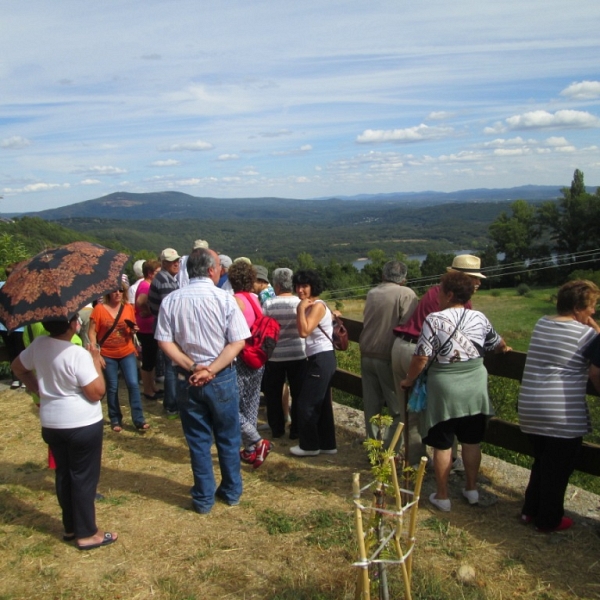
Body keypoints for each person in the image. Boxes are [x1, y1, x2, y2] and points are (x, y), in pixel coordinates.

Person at [400, 271, 510, 512]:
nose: (437, 295)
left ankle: (443, 495)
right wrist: (505, 349)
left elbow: (421, 356)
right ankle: (471, 489)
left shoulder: (434, 320)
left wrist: (409, 380)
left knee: (442, 443)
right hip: (475, 383)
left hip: (445, 385)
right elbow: (497, 344)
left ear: (449, 294)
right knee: (471, 440)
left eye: (440, 291)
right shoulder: (479, 317)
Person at [155, 248, 250, 514]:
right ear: (211, 270)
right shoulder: (225, 299)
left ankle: (204, 497)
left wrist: (194, 367)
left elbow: (164, 340)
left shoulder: (172, 300)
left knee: (197, 439)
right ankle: (231, 491)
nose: (220, 270)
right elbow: (238, 341)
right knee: (228, 437)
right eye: (219, 265)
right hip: (222, 377)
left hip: (188, 378)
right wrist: (211, 369)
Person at [12, 315, 117, 550]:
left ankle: (70, 528)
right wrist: (95, 361)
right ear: (71, 324)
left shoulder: (38, 345)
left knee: (64, 475)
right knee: (83, 478)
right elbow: (96, 392)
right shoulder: (77, 353)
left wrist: (39, 390)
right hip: (81, 423)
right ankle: (88, 533)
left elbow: (17, 368)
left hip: (52, 422)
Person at [518, 280, 600, 532]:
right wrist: (595, 327)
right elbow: (596, 370)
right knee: (559, 469)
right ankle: (549, 520)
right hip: (561, 413)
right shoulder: (586, 335)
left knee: (542, 461)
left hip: (530, 407)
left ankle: (529, 511)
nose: (593, 312)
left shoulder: (542, 323)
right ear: (577, 308)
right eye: (591, 306)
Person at [391, 254, 484, 466]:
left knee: (411, 410)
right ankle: (444, 460)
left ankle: (415, 462)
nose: (478, 283)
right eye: (474, 278)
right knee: (442, 410)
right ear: (461, 278)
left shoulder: (436, 291)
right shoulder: (457, 301)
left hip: (402, 347)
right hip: (418, 353)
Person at [359, 260, 418, 453]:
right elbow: (409, 327)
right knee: (398, 409)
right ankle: (390, 452)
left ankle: (373, 450)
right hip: (387, 355)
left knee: (372, 406)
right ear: (404, 278)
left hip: (367, 352)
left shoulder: (372, 293)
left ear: (383, 275)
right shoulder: (406, 294)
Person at [228, 260, 272, 468]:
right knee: (251, 403)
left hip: (241, 357)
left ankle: (256, 441)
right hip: (258, 357)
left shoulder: (234, 300)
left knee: (231, 405)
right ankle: (251, 450)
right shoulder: (255, 299)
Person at [290, 269, 337, 457]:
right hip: (321, 358)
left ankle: (309, 446)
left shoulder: (316, 306)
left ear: (313, 287)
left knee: (305, 403)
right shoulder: (317, 305)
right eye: (298, 286)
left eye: (305, 286)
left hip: (320, 358)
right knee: (322, 403)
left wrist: (300, 309)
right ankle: (327, 444)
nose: (300, 290)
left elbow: (304, 331)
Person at [89, 285, 148, 432]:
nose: (117, 293)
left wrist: (133, 330)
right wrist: (96, 352)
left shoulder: (127, 307)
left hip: (127, 351)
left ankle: (139, 419)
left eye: (120, 290)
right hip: (108, 354)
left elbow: (132, 328)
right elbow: (91, 333)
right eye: (114, 290)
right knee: (113, 387)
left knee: (133, 384)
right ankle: (115, 418)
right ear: (108, 292)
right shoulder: (99, 309)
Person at [262, 268, 306, 439]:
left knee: (273, 394)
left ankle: (277, 428)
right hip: (298, 353)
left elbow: (265, 330)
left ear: (277, 285)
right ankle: (296, 430)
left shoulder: (269, 304)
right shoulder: (299, 303)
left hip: (275, 355)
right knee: (298, 393)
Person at [149, 248, 181, 417]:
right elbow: (172, 309)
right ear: (163, 263)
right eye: (171, 261)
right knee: (172, 366)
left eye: (177, 260)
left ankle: (172, 403)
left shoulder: (163, 277)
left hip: (161, 325)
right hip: (167, 328)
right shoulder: (166, 281)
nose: (176, 263)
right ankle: (171, 404)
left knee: (171, 365)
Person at [135, 259, 163, 399]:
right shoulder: (146, 286)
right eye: (158, 272)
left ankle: (152, 386)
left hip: (147, 327)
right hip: (146, 328)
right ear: (150, 273)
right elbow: (140, 301)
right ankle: (147, 389)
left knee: (150, 359)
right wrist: (148, 311)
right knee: (148, 360)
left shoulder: (145, 284)